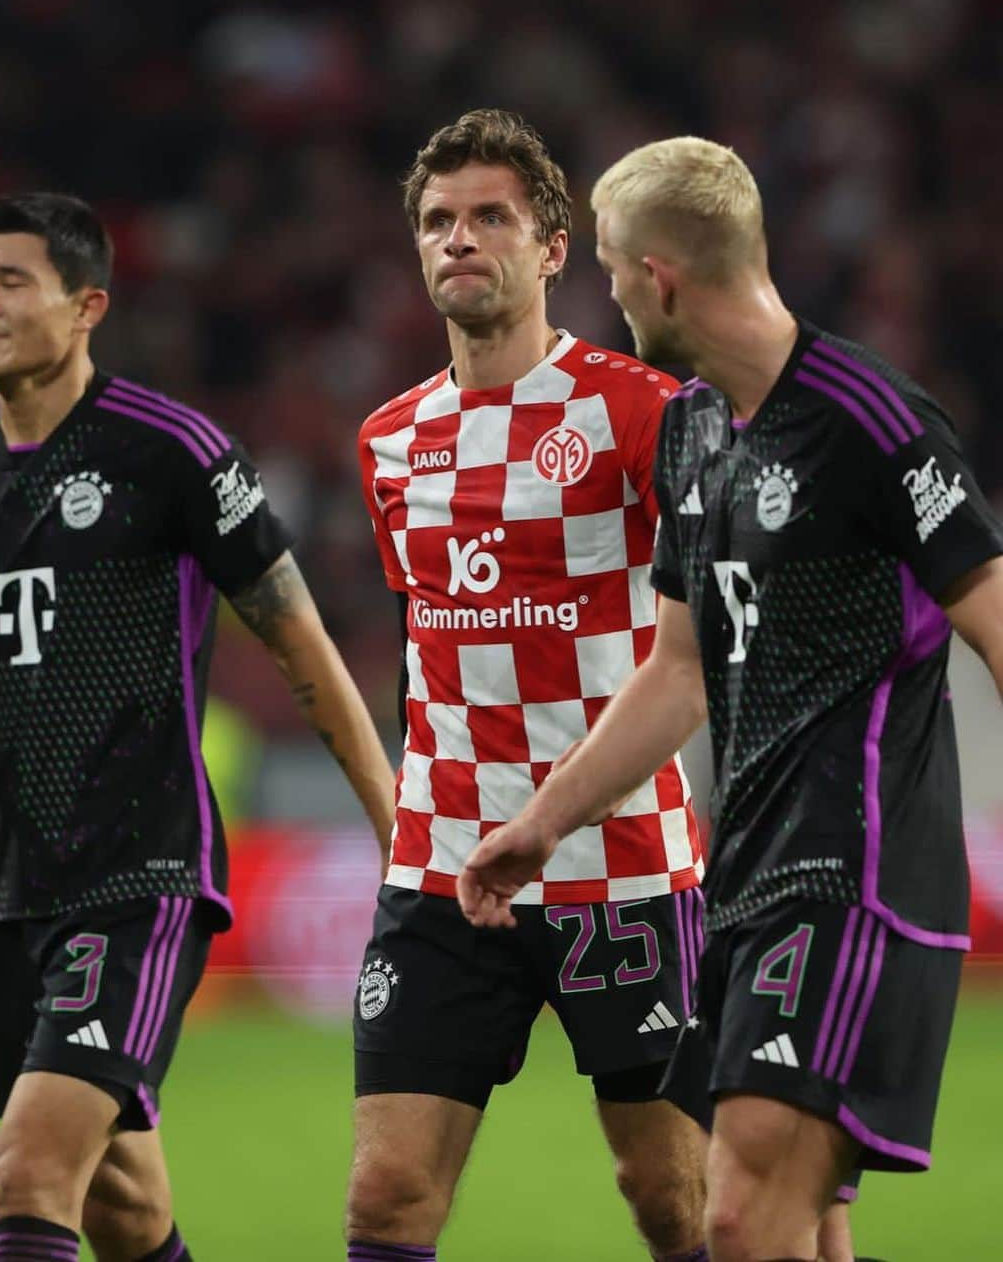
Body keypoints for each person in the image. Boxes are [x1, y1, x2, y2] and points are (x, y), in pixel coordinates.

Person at [457, 136, 1003, 1262]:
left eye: (607, 268)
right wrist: (542, 823)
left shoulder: (874, 420)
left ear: (659, 276)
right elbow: (678, 671)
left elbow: (994, 614)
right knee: (801, 1233)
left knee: (743, 1218)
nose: (604, 297)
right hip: (745, 879)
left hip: (859, 874)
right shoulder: (697, 434)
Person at [0, 192, 396, 1262]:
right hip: (7, 888)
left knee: (31, 1173)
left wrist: (399, 833)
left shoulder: (168, 451)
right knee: (123, 1206)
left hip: (139, 876)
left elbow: (301, 647)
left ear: (86, 305)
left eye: (10, 281)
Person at [347, 110, 709, 1262]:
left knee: (671, 1199)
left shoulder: (641, 410)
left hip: (621, 868)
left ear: (554, 248)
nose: (460, 239)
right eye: (439, 221)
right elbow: (429, 646)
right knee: (386, 1198)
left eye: (490, 216)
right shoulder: (389, 439)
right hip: (444, 872)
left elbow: (694, 650)